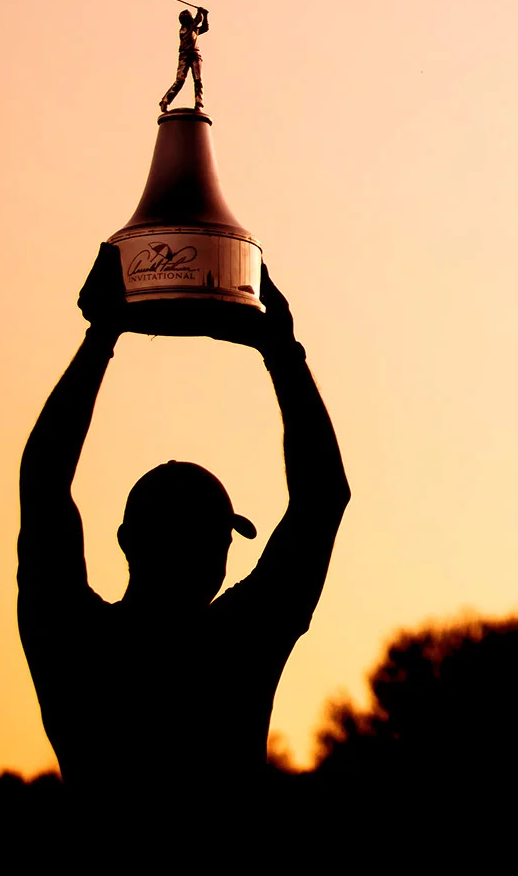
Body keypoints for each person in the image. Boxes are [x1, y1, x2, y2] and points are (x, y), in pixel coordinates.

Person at [17, 245, 349, 803]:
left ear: (127, 540)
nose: (216, 555)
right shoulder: (237, 646)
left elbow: (43, 485)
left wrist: (101, 337)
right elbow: (322, 499)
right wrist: (281, 352)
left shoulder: (73, 638)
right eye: (212, 538)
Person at [160, 7, 209, 111]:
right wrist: (201, 12)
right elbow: (198, 20)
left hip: (195, 55)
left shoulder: (193, 29)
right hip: (185, 56)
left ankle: (199, 103)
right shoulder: (184, 30)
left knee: (198, 80)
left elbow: (205, 28)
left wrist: (206, 16)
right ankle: (165, 101)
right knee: (180, 80)